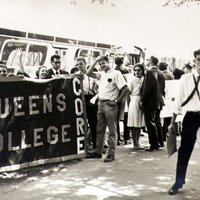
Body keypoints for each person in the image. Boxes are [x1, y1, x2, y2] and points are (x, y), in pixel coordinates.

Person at [168, 49, 200, 195]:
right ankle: (178, 181)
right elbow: (179, 100)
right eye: (199, 59)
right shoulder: (186, 78)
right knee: (184, 151)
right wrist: (172, 122)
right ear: (194, 61)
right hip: (191, 116)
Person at [86, 55, 129, 162]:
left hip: (110, 105)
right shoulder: (101, 74)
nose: (102, 65)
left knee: (112, 131)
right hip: (100, 103)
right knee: (99, 130)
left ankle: (111, 154)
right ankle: (98, 152)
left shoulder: (116, 73)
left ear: (108, 62)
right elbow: (88, 73)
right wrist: (95, 60)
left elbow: (125, 88)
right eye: (100, 64)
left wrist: (116, 101)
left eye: (103, 63)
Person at [140, 56, 165, 151]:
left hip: (150, 101)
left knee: (150, 123)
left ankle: (154, 143)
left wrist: (143, 100)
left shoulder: (150, 72)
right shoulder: (160, 73)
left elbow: (147, 88)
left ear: (151, 61)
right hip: (158, 101)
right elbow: (163, 88)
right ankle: (160, 141)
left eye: (148, 60)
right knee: (157, 122)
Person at [75, 57, 98, 152]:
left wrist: (93, 92)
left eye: (81, 64)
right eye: (77, 64)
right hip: (80, 100)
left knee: (94, 123)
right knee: (82, 124)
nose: (79, 66)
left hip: (91, 100)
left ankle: (96, 146)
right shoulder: (75, 75)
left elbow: (95, 89)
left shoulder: (91, 75)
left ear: (85, 64)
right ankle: (82, 147)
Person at [127, 63, 145, 149]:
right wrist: (129, 103)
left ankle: (138, 141)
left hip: (141, 101)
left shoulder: (142, 79)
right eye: (135, 70)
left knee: (139, 122)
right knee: (134, 122)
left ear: (142, 71)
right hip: (134, 100)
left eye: (139, 70)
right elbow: (128, 92)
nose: (137, 72)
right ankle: (135, 142)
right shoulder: (132, 80)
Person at [114, 56, 130, 145]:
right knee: (125, 117)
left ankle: (117, 139)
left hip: (116, 95)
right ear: (123, 61)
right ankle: (126, 138)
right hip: (125, 95)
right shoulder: (126, 70)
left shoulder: (113, 71)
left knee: (116, 118)